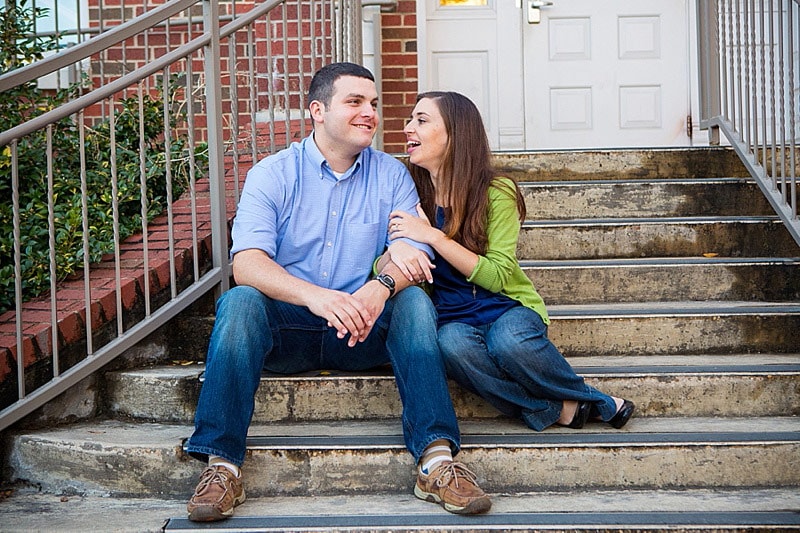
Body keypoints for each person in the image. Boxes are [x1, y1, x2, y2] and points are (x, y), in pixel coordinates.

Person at [183, 65, 491, 522]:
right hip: (290, 329)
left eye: (373, 104)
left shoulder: (392, 176)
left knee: (413, 301)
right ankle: (221, 465)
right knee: (240, 301)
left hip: (362, 331)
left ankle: (436, 462)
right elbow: (246, 264)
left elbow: (410, 255)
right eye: (355, 102)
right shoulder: (273, 174)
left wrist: (378, 287)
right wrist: (317, 297)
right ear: (317, 110)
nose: (370, 113)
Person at [383, 91, 635, 435]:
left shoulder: (495, 192)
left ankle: (592, 399)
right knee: (451, 347)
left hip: (505, 307)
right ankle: (560, 407)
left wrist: (434, 237)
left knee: (509, 343)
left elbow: (498, 276)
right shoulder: (410, 191)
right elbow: (383, 261)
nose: (408, 128)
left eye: (421, 120)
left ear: (456, 134)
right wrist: (393, 253)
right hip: (451, 316)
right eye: (410, 120)